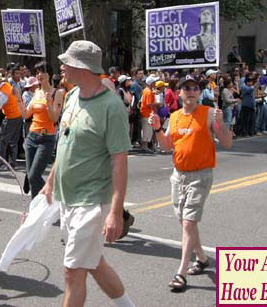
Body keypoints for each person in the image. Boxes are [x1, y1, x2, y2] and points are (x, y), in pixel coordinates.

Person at [40, 40, 135, 307]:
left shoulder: (111, 107)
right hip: (68, 198)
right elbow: (64, 144)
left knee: (72, 271)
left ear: (81, 67)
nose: (61, 67)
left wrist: (115, 212)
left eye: (66, 63)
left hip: (92, 201)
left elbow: (119, 161)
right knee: (94, 263)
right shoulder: (71, 97)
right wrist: (49, 182)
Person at [150, 75, 232, 292]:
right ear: (179, 93)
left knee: (188, 223)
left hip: (200, 176)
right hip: (178, 176)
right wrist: (158, 128)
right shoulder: (175, 117)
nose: (192, 91)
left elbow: (227, 142)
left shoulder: (209, 114)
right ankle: (203, 258)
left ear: (199, 92)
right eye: (187, 88)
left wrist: (221, 125)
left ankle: (181, 272)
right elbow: (167, 145)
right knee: (186, 222)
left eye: (195, 88)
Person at [24, 62, 64, 199]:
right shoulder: (36, 92)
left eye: (42, 72)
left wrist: (48, 103)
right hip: (31, 137)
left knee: (34, 175)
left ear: (50, 74)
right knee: (31, 178)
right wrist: (16, 98)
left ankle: (50, 196)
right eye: (37, 73)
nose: (39, 75)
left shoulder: (57, 93)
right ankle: (36, 209)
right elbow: (25, 114)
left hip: (46, 139)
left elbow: (54, 119)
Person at [0, 72, 24, 169]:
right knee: (13, 141)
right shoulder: (6, 86)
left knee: (2, 140)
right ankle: (12, 163)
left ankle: (1, 163)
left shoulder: (3, 92)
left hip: (11, 117)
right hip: (18, 115)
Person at [139, 75, 158, 152]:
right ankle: (144, 145)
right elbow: (148, 104)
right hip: (147, 113)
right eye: (154, 82)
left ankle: (147, 145)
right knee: (147, 130)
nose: (155, 83)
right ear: (151, 83)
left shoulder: (147, 90)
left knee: (148, 130)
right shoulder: (149, 92)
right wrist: (158, 104)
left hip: (147, 113)